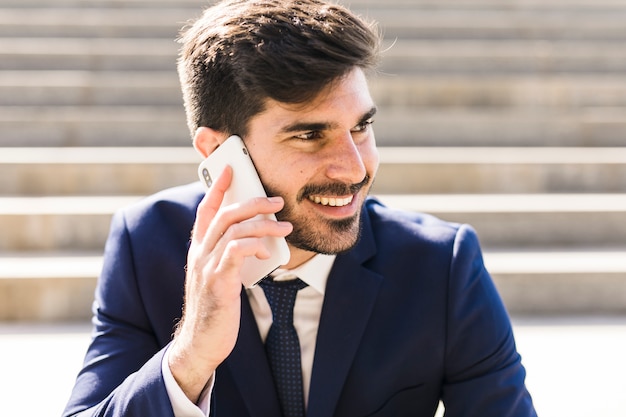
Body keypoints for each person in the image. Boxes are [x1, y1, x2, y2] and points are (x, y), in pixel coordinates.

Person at [63, 0, 537, 416]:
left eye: (361, 127)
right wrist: (189, 359)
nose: (353, 169)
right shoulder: (147, 244)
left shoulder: (441, 265)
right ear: (218, 151)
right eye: (310, 135)